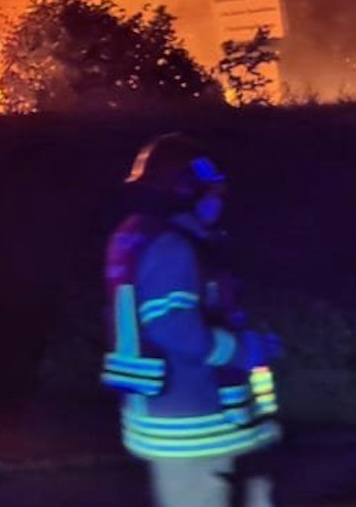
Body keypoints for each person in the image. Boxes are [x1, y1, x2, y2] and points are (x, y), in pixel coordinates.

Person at [102, 133, 282, 507]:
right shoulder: (173, 248)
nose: (220, 201)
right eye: (213, 192)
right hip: (195, 422)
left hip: (169, 414)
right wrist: (243, 349)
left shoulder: (135, 237)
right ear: (186, 191)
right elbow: (174, 328)